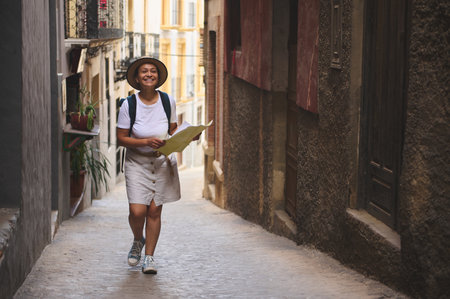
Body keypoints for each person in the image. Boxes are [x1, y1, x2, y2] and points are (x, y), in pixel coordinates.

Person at [117, 57, 195, 274]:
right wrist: (145, 142)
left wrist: (189, 136)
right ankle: (137, 240)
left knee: (154, 211)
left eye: (153, 71)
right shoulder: (128, 105)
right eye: (144, 71)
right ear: (136, 78)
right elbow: (121, 138)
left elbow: (172, 131)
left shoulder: (167, 101)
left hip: (161, 163)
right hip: (137, 163)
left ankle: (149, 258)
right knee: (137, 211)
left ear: (158, 77)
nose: (149, 74)